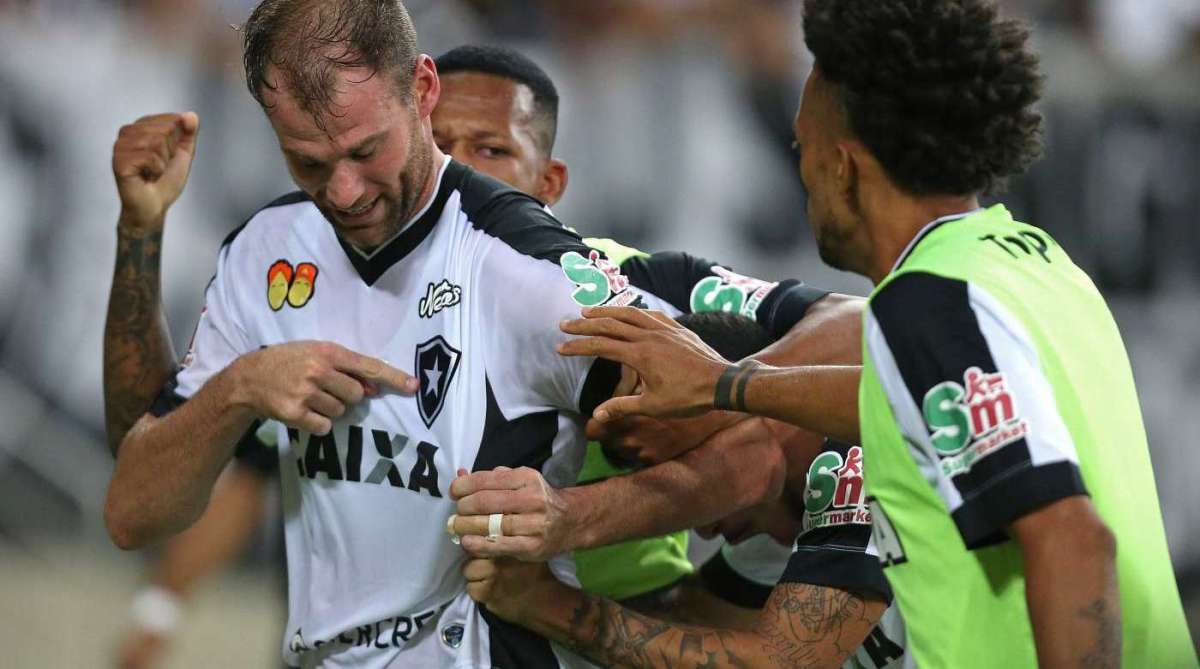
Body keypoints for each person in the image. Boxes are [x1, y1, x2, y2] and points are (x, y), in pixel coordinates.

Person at [101, 11, 855, 666]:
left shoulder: (563, 275)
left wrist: (571, 523)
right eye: (309, 161)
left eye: (366, 152)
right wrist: (237, 384)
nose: (343, 192)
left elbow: (758, 437)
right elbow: (141, 502)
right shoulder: (269, 251)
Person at [550, 1, 1199, 667]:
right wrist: (729, 385)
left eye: (803, 148)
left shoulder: (928, 301)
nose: (801, 178)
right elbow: (904, 403)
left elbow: (1073, 538)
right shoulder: (1038, 267)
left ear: (845, 165)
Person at [463, 311, 906, 669]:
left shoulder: (855, 465)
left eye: (674, 464)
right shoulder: (774, 537)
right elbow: (692, 627)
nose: (702, 528)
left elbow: (782, 660)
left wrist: (548, 605)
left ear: (725, 414)